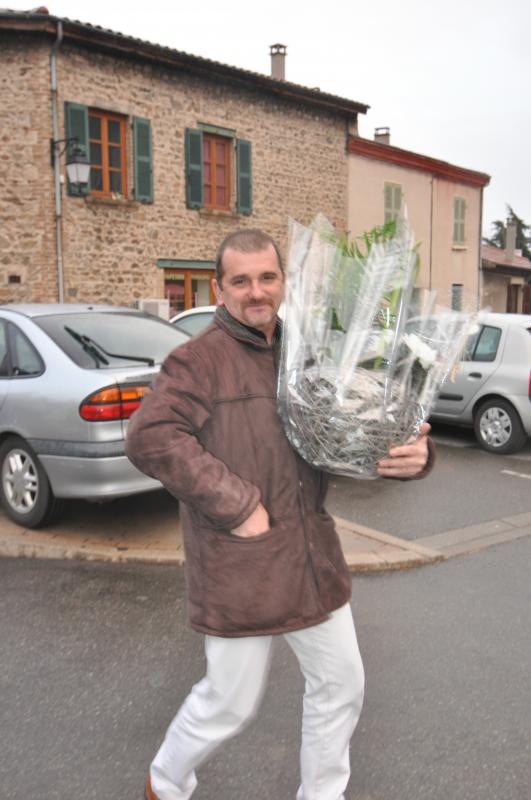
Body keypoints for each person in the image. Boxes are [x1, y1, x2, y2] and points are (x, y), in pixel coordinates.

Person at [125, 228, 434, 800]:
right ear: (220, 289)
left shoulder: (309, 355)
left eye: (267, 277)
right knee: (230, 703)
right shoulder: (197, 362)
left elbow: (353, 434)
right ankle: (165, 782)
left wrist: (411, 453)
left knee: (342, 684)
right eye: (240, 281)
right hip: (239, 562)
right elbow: (150, 437)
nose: (256, 291)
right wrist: (236, 504)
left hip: (312, 558)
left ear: (284, 281)